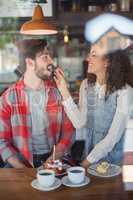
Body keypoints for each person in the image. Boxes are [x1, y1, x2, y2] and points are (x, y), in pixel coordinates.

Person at [54, 41, 133, 168]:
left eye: (94, 55)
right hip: (90, 154)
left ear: (107, 62)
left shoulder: (125, 92)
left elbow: (112, 138)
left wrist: (85, 163)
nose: (88, 58)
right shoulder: (86, 85)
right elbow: (79, 122)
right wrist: (63, 90)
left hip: (115, 160)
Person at [0, 39, 74, 168]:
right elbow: (2, 140)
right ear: (30, 62)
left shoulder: (58, 92)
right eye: (45, 57)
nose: (51, 61)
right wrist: (21, 168)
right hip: (21, 161)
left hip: (54, 157)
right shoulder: (8, 97)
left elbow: (69, 131)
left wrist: (53, 159)